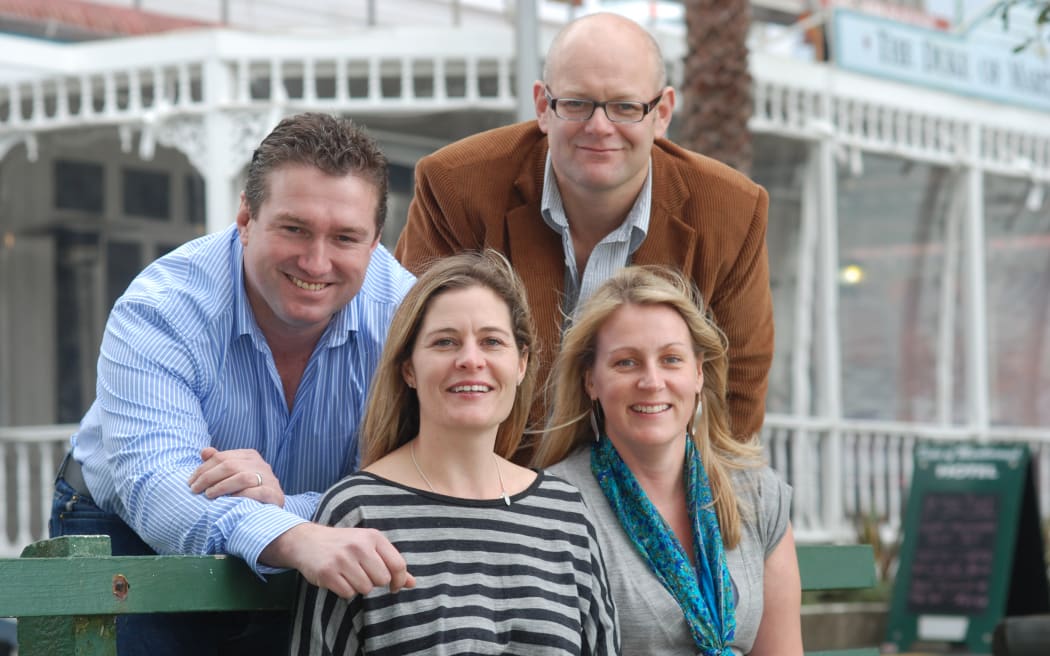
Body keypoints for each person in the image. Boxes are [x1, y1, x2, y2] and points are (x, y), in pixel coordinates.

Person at [48, 113, 417, 654]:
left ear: (375, 240)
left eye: (345, 237)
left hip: (326, 539)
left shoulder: (408, 317)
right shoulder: (160, 307)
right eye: (294, 228)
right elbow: (159, 487)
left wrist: (285, 510)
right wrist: (292, 533)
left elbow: (410, 491)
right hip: (127, 526)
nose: (316, 261)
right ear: (245, 217)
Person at [395, 12, 773, 455]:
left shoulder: (730, 210)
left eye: (625, 107)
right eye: (576, 104)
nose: (599, 126)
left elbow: (738, 387)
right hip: (489, 484)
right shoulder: (456, 186)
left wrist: (693, 507)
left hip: (642, 488)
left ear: (662, 113)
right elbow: (412, 353)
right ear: (542, 106)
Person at [290, 250, 619, 655]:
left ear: (521, 363)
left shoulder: (565, 513)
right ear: (409, 367)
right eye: (445, 342)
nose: (470, 360)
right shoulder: (358, 513)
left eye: (491, 342)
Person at [534, 266, 802, 656]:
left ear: (698, 373)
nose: (652, 381)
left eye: (671, 359)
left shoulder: (757, 493)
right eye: (626, 362)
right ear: (591, 380)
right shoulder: (557, 506)